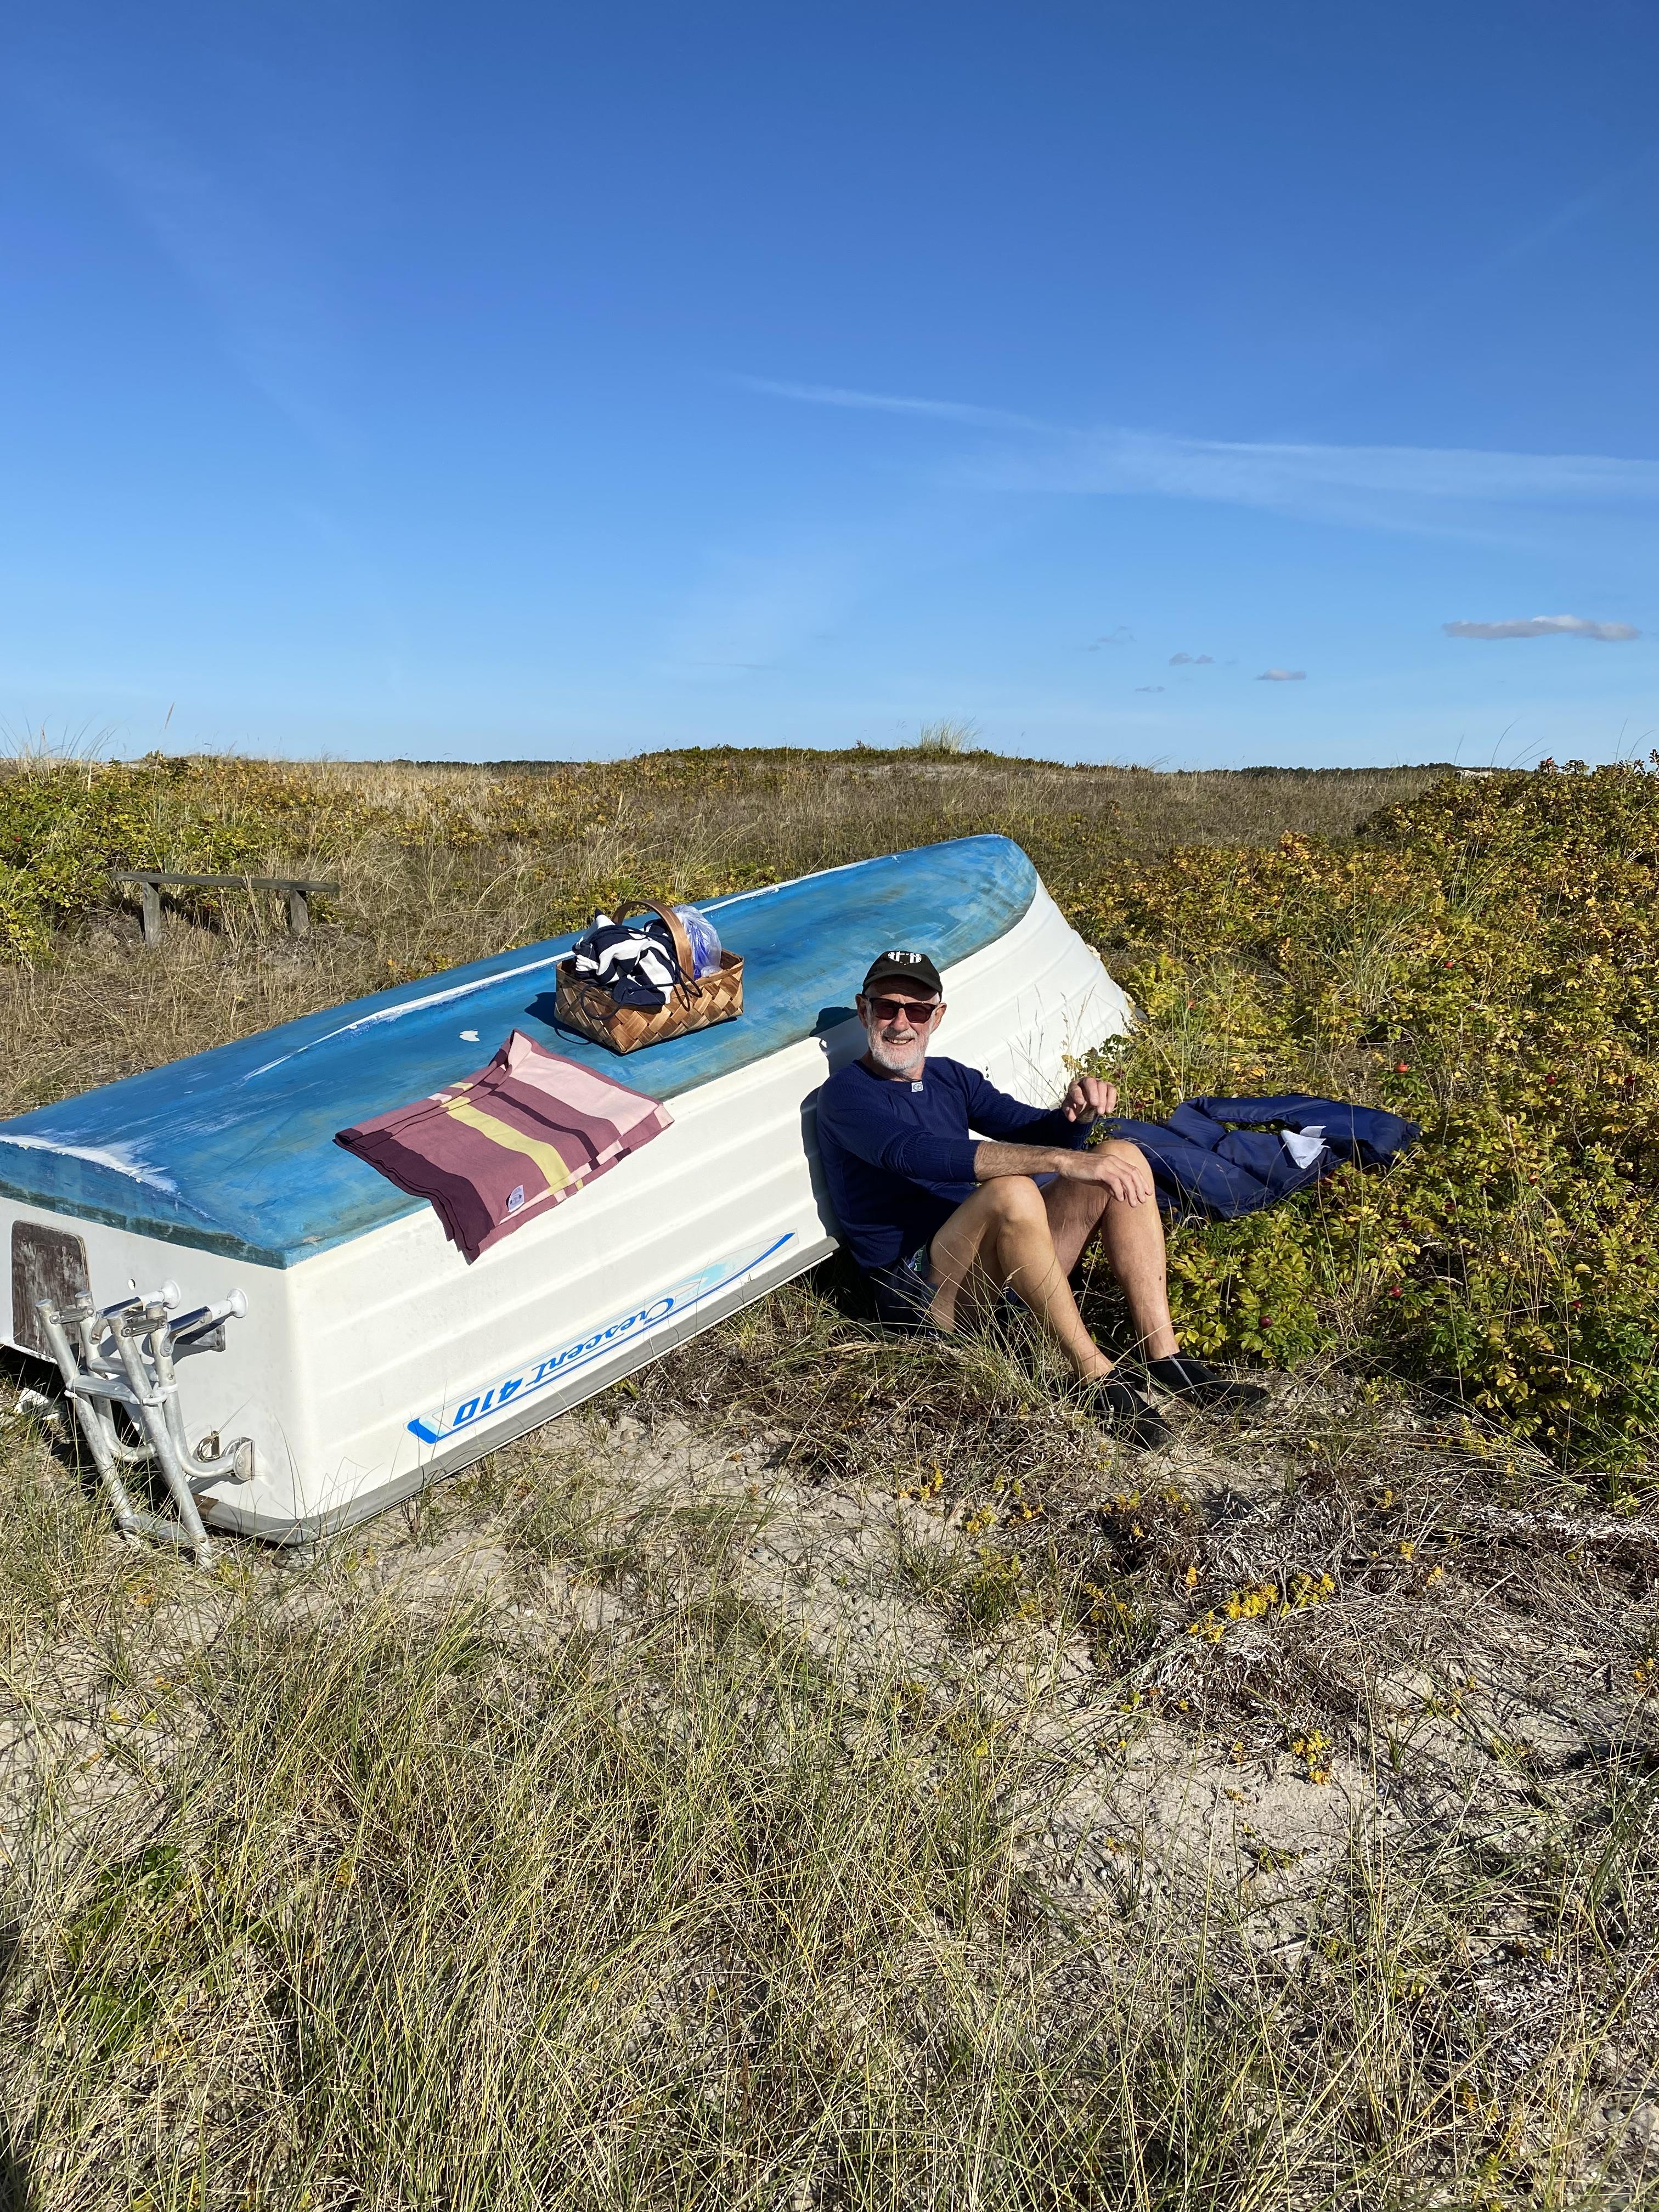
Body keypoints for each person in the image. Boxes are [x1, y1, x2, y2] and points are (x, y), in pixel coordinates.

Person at [814, 949, 1268, 1447]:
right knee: (1013, 1191)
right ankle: (1092, 1374)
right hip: (920, 1295)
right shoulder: (846, 1095)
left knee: (1121, 1154)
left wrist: (1075, 1118)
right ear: (863, 1011)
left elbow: (1030, 1129)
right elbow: (910, 1154)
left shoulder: (949, 1077)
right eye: (886, 1007)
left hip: (987, 1270)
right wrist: (1057, 1160)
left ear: (937, 1017)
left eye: (917, 1010)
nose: (901, 1023)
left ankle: (1164, 1357)